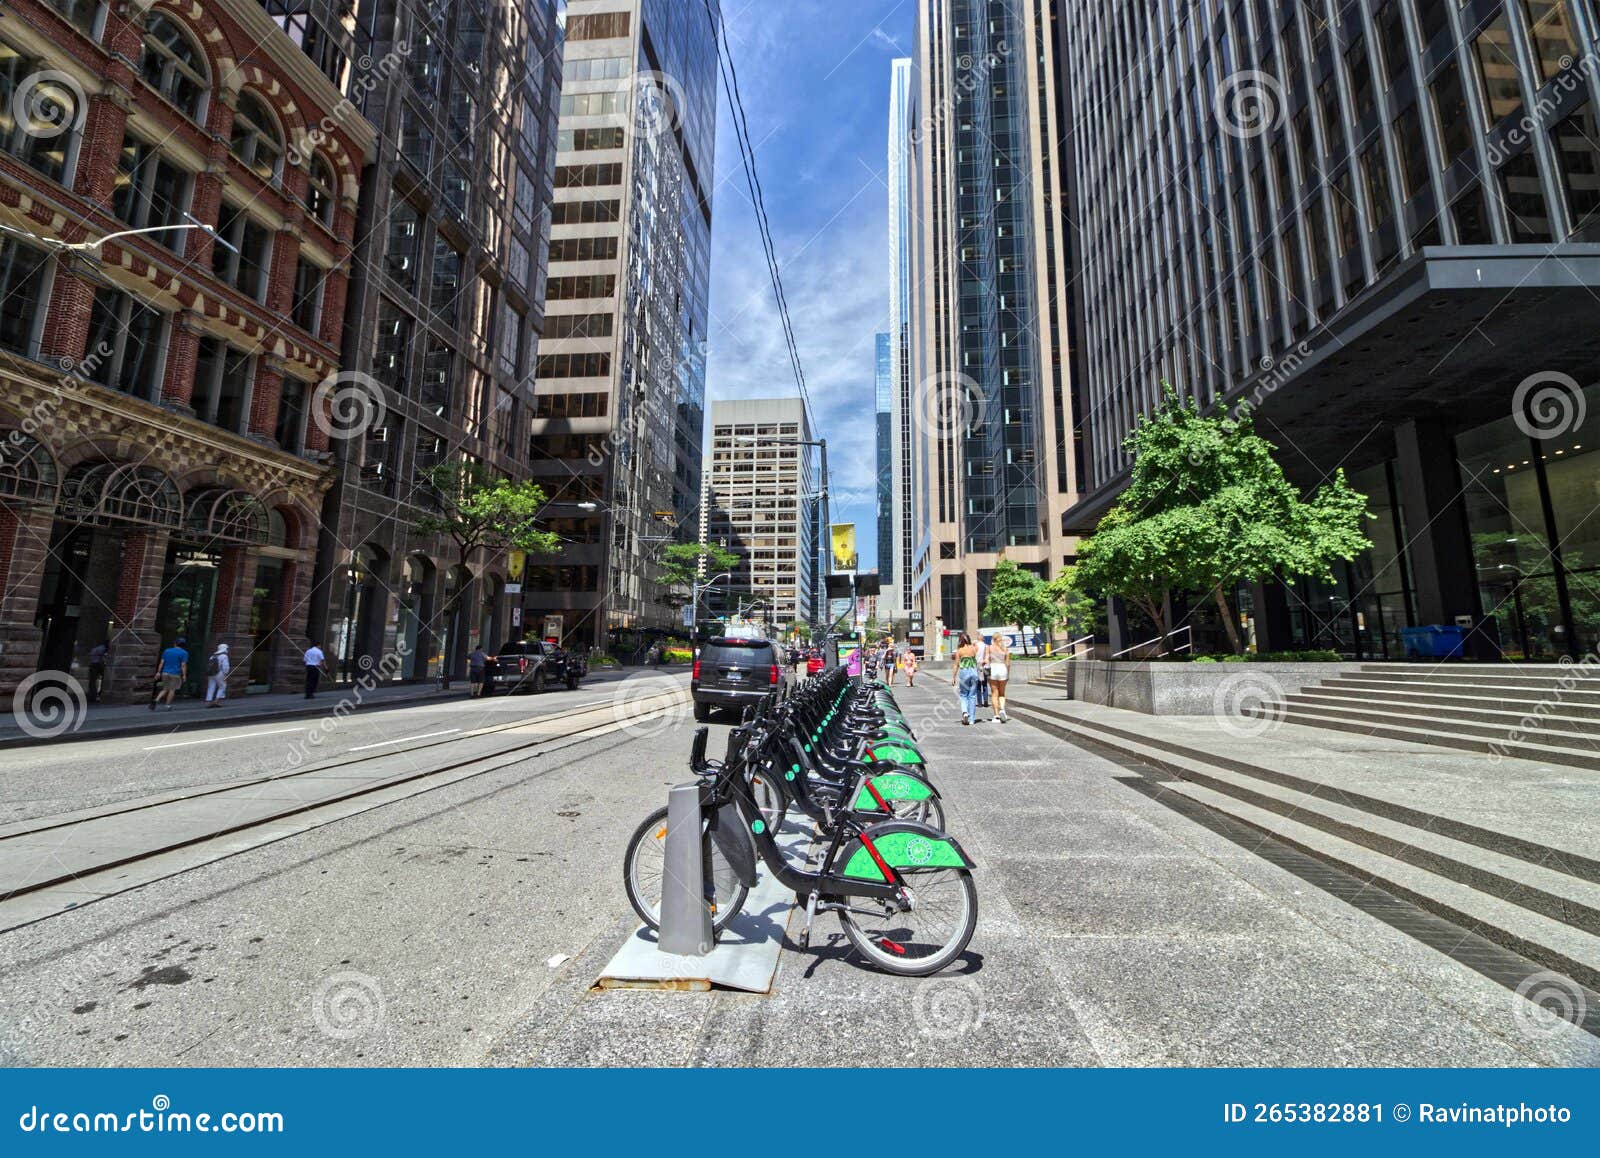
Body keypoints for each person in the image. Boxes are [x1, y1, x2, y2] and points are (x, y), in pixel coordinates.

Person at [951, 632, 980, 725]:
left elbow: (956, 665)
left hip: (964, 673)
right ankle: (972, 719)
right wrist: (973, 643)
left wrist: (953, 677)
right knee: (972, 696)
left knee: (964, 695)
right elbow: (978, 647)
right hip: (974, 672)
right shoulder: (974, 649)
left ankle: (965, 712)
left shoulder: (959, 651)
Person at [152, 637, 188, 711]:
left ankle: (156, 700)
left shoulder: (167, 651)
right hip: (175, 673)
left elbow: (162, 662)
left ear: (175, 643)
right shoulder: (184, 653)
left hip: (165, 672)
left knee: (165, 688)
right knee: (172, 690)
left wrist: (158, 672)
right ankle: (167, 705)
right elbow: (183, 665)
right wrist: (184, 675)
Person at [988, 633, 1012, 723]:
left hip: (993, 668)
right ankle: (1002, 709)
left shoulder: (989, 648)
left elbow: (987, 659)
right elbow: (1008, 663)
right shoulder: (1005, 649)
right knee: (1002, 693)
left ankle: (996, 715)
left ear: (992, 639)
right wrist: (1007, 674)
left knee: (994, 693)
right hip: (1003, 669)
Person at [204, 643, 231, 707]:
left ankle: (208, 701)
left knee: (211, 686)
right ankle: (216, 701)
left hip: (211, 673)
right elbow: (225, 667)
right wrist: (226, 673)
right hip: (220, 673)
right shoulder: (224, 656)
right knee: (222, 686)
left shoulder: (212, 656)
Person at [975, 635, 992, 708]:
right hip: (986, 667)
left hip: (977, 666)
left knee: (978, 685)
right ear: (983, 639)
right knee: (985, 684)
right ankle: (985, 701)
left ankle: (979, 703)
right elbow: (988, 656)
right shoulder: (987, 646)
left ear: (977, 639)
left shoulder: (975, 646)